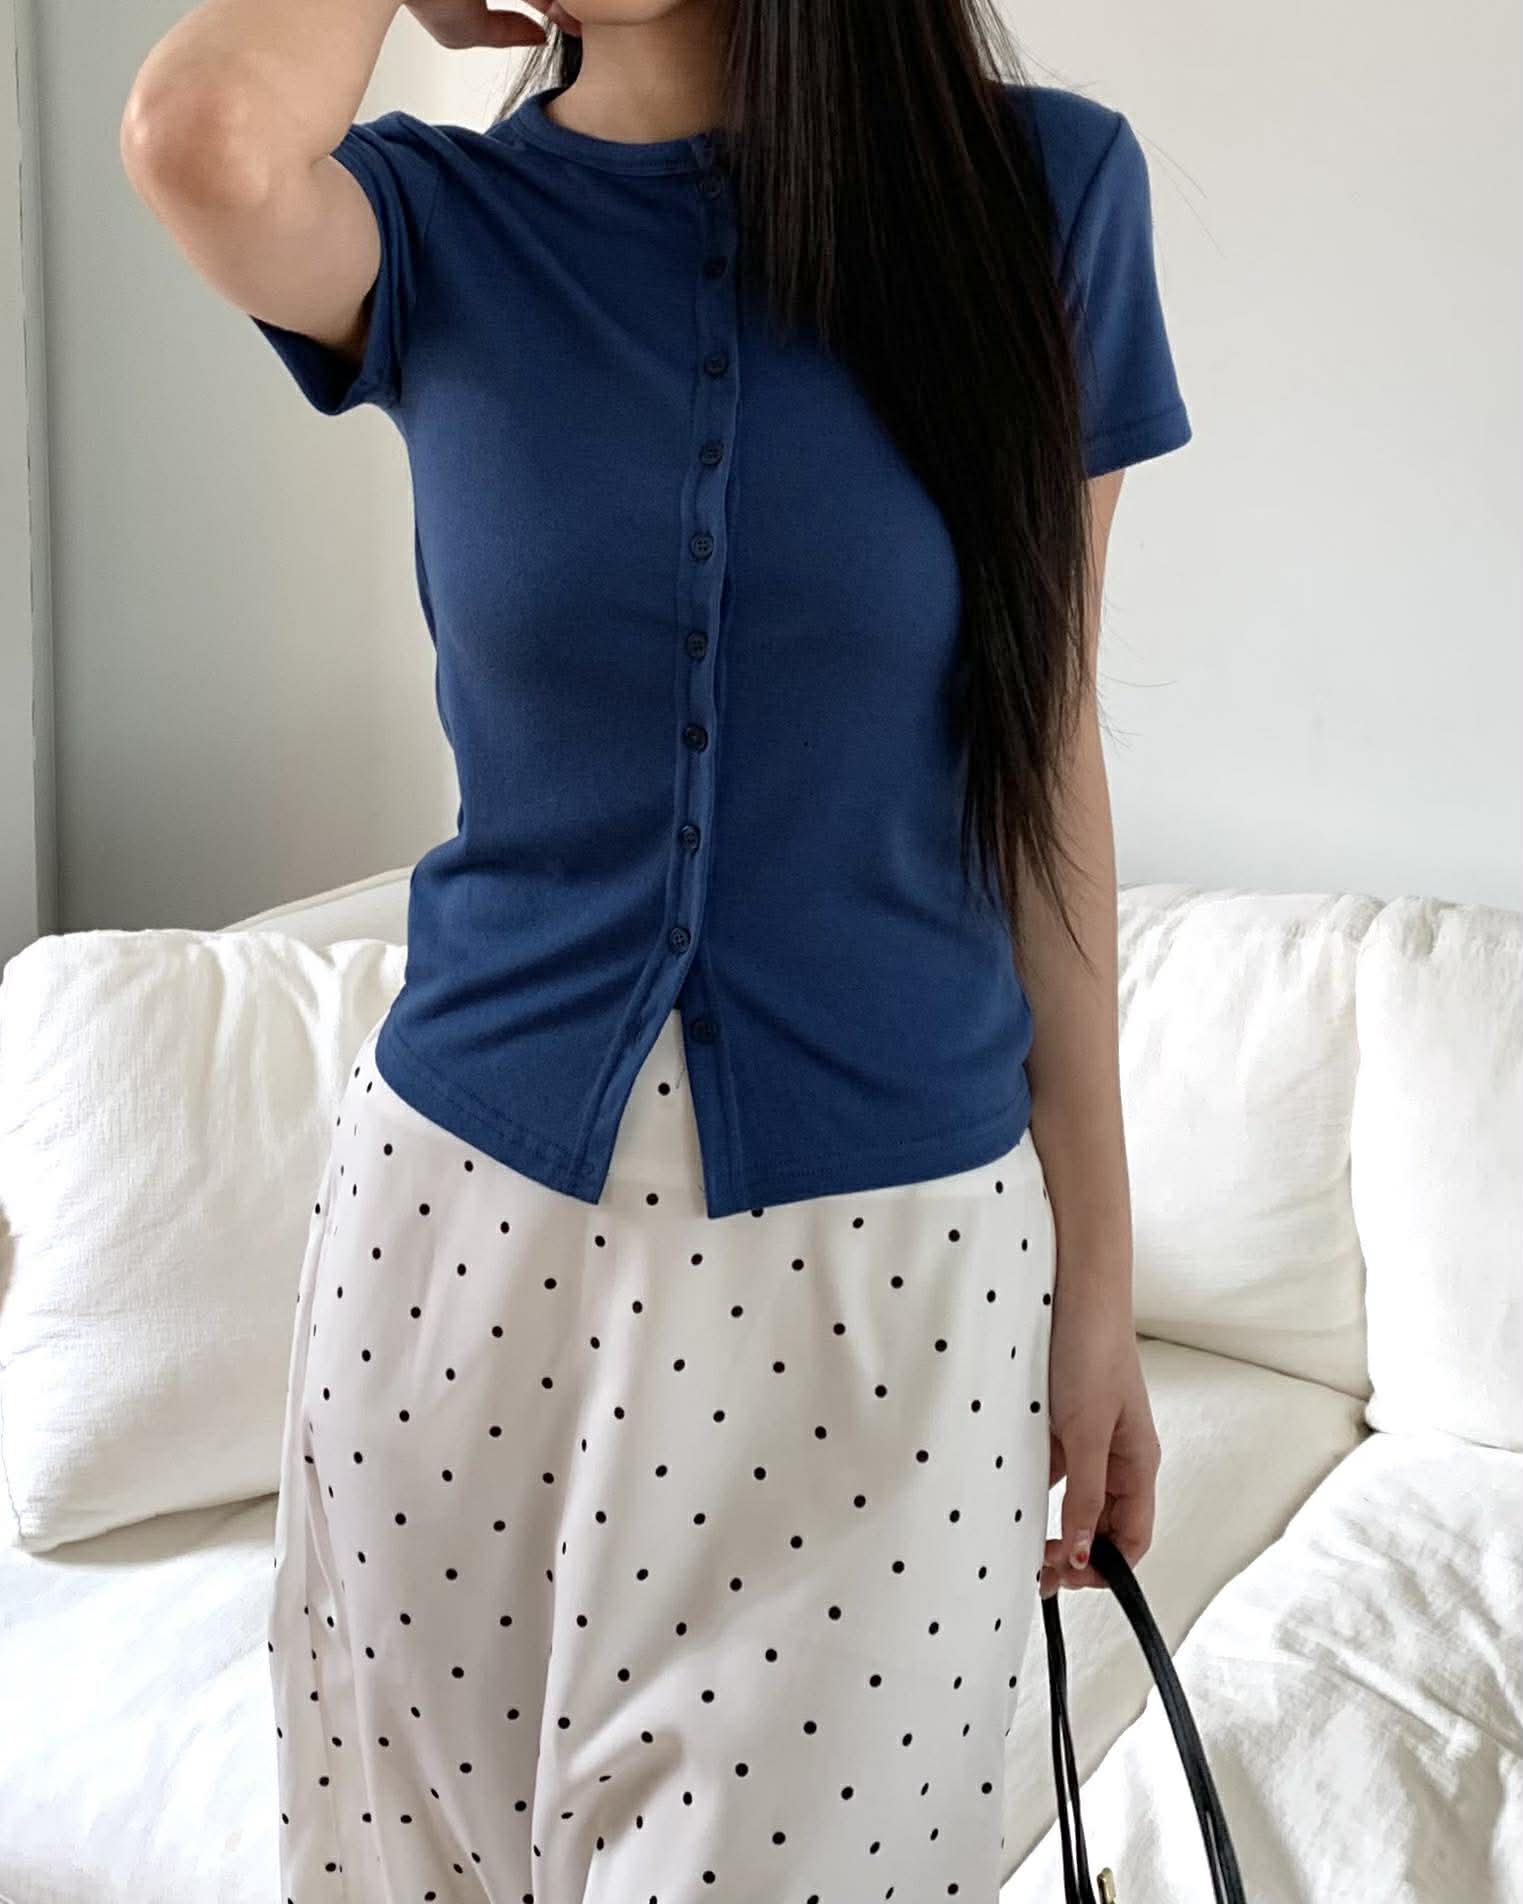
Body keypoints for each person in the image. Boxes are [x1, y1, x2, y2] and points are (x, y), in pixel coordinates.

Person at [122, 0, 1189, 1894]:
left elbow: (1043, 755)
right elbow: (197, 138)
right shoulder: (435, 224)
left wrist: (1096, 1277)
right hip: (452, 1253)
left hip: (886, 1282)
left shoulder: (1043, 195)